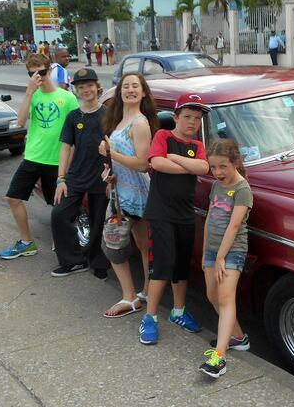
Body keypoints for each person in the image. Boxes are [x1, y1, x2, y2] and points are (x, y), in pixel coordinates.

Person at [138, 93, 210, 345]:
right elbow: (157, 163)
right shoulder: (163, 136)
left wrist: (176, 158)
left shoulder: (198, 146)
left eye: (197, 118)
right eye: (188, 117)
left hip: (184, 215)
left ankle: (178, 311)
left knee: (181, 266)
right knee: (162, 263)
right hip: (160, 213)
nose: (192, 122)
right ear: (176, 117)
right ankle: (150, 316)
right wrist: (187, 164)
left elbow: (203, 168)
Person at [0, 53, 79, 260]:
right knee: (12, 198)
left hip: (56, 160)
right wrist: (28, 93)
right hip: (33, 156)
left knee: (58, 207)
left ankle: (62, 242)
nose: (39, 77)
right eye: (33, 74)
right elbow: (21, 121)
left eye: (42, 72)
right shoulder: (33, 95)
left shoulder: (67, 97)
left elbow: (77, 132)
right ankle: (26, 242)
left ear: (50, 70)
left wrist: (69, 163)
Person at [98, 73, 158, 314]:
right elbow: (123, 162)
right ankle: (144, 291)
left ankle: (129, 296)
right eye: (126, 86)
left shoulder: (140, 123)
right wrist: (109, 171)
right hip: (121, 189)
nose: (130, 90)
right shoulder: (121, 120)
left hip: (135, 193)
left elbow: (143, 164)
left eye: (136, 86)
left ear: (143, 93)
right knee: (142, 244)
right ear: (119, 92)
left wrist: (111, 153)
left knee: (112, 242)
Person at [198, 139, 253, 378]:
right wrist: (204, 253)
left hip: (232, 252)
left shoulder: (242, 190)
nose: (218, 172)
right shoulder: (216, 186)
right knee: (212, 295)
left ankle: (219, 357)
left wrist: (221, 257)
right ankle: (238, 338)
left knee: (225, 297)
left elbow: (234, 226)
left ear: (236, 163)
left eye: (223, 166)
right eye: (213, 167)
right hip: (212, 251)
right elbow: (210, 219)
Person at [51, 68, 108, 278]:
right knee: (59, 214)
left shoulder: (108, 114)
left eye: (90, 86)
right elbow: (66, 148)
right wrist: (61, 179)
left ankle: (97, 262)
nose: (86, 90)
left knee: (97, 221)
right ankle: (72, 259)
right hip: (75, 176)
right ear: (76, 90)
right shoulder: (73, 116)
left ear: (97, 87)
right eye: (81, 87)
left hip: (101, 177)